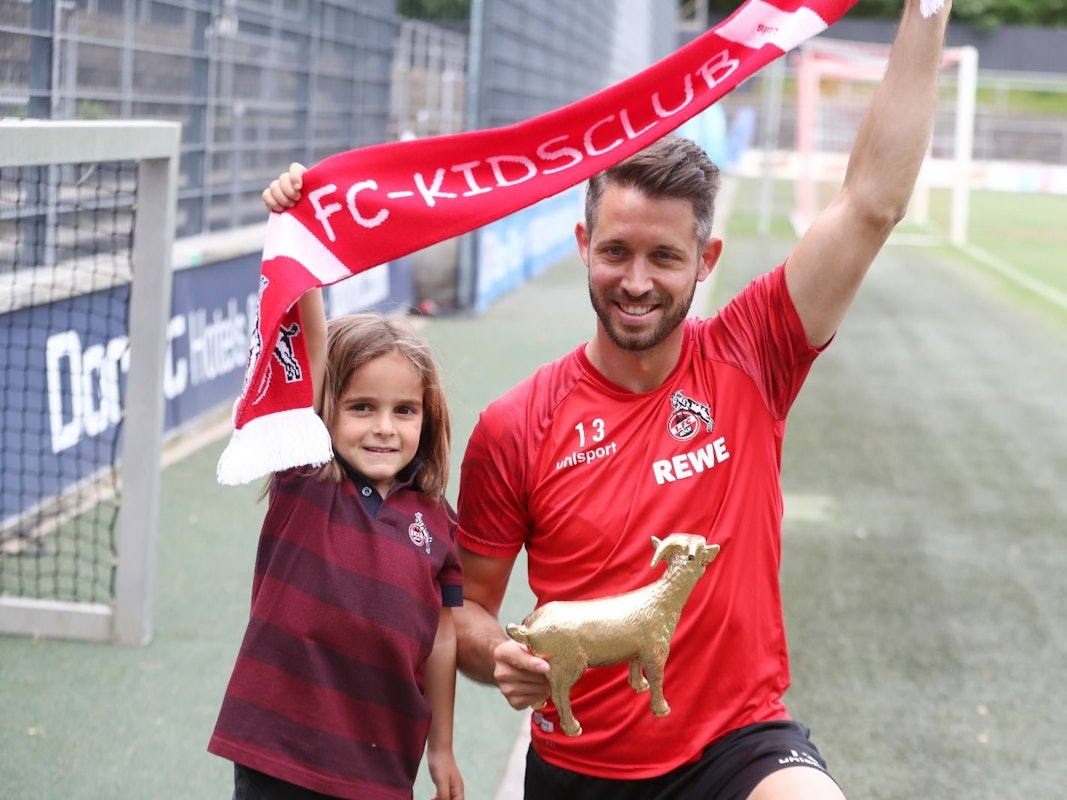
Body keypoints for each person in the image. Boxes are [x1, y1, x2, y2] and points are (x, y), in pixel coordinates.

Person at [261, 3, 950, 796]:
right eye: (615, 251)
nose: (635, 281)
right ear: (582, 244)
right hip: (580, 768)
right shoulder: (517, 424)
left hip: (740, 745)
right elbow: (468, 610)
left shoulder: (754, 351)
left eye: (664, 256)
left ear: (705, 259)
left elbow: (870, 203)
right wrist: (502, 658)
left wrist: (926, 9)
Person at [208, 289, 465, 800]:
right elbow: (313, 345)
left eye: (405, 410)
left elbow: (441, 639)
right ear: (327, 409)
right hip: (280, 754)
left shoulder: (438, 522)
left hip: (382, 765)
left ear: (427, 416)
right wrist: (302, 244)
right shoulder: (306, 474)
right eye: (362, 407)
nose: (384, 428)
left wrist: (442, 747)